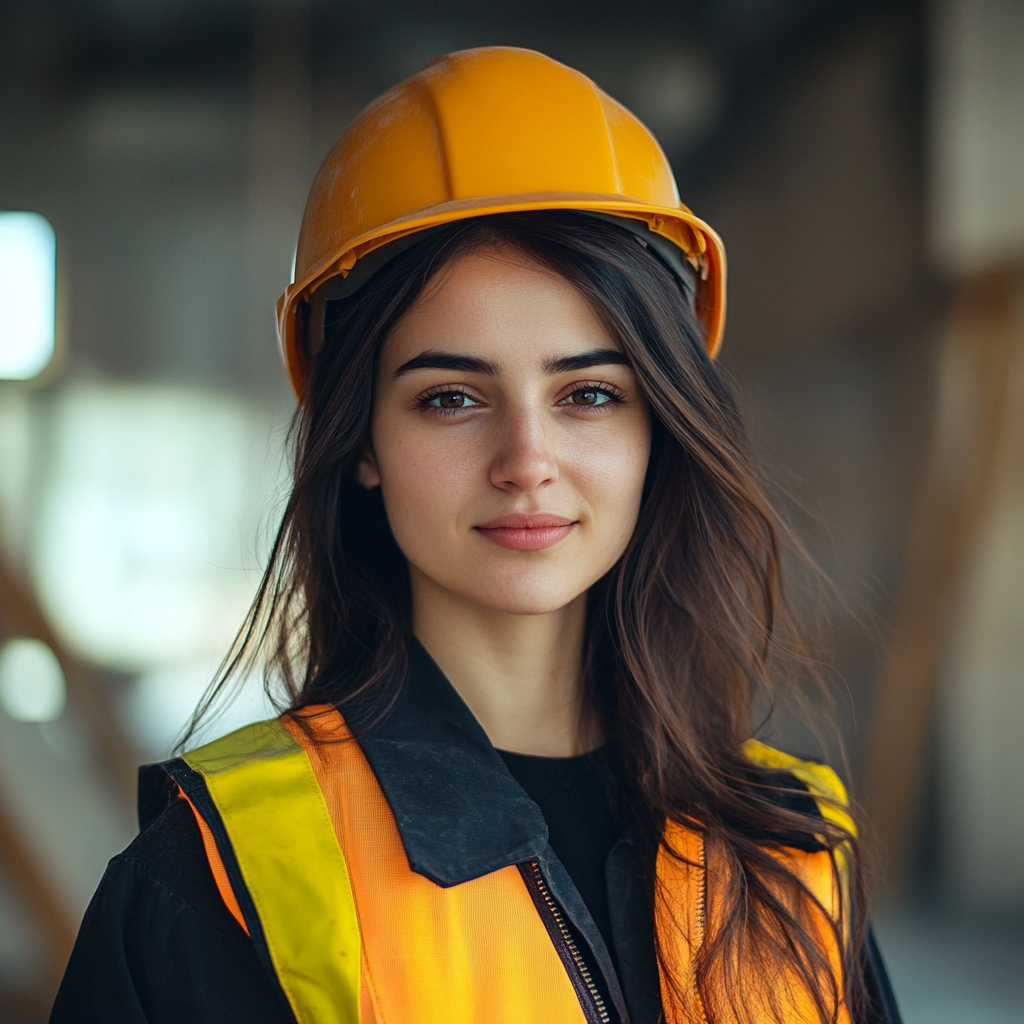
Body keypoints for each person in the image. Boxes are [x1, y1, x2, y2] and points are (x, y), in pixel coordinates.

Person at [51, 47, 902, 1024]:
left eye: (588, 394)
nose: (526, 458)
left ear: (656, 430)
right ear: (360, 438)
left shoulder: (796, 852)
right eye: (451, 398)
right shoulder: (220, 878)